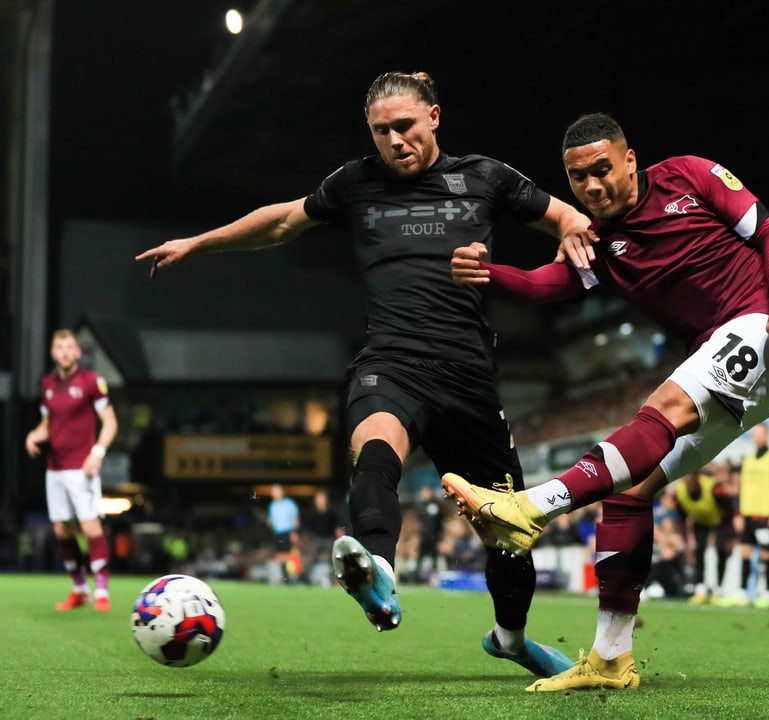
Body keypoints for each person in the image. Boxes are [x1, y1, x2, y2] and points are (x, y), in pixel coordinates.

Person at [134, 71, 591, 677]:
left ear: (433, 116)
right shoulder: (355, 183)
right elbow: (280, 221)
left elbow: (566, 218)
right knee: (376, 444)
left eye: (405, 126)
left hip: (470, 379)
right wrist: (200, 242)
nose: (395, 141)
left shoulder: (486, 176)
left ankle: (509, 637)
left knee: (508, 532)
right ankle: (377, 569)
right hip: (392, 361)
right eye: (382, 131)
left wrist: (574, 236)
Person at [442, 112, 769, 691]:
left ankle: (531, 507)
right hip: (727, 350)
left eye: (602, 170)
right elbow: (551, 284)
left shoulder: (691, 177)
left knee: (665, 406)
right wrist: (488, 273)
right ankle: (611, 658)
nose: (592, 186)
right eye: (578, 179)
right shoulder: (600, 244)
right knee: (631, 487)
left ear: (629, 159)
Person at [24, 329, 118, 611]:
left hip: (82, 466)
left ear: (78, 352)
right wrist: (34, 435)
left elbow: (110, 422)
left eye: (70, 347)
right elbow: (47, 425)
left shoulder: (92, 382)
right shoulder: (48, 384)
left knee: (90, 525)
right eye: (59, 347)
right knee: (62, 530)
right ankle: (80, 590)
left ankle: (102, 591)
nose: (65, 352)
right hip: (55, 467)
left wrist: (97, 453)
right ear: (53, 353)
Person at [723, 422, 769, 608]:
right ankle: (742, 591)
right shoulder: (748, 460)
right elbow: (741, 489)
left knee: (766, 554)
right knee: (745, 552)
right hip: (748, 515)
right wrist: (738, 513)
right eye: (755, 434)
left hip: (766, 515)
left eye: (761, 434)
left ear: (767, 436)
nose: (758, 437)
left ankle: (767, 592)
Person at [674, 468, 735, 603]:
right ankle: (700, 588)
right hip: (700, 521)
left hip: (720, 521)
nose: (689, 482)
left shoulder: (714, 489)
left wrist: (730, 537)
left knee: (720, 549)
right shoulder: (679, 492)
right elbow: (681, 517)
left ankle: (718, 589)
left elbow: (729, 510)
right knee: (698, 552)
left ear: (697, 478)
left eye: (692, 478)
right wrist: (685, 541)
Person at [267, 483, 301, 584]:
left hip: (287, 532)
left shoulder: (289, 503)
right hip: (277, 533)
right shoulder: (272, 505)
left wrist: (294, 532)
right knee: (279, 555)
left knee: (288, 555)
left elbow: (295, 519)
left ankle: (290, 577)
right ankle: (283, 576)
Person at [414, 485, 445, 581]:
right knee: (420, 556)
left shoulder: (436, 505)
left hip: (434, 536)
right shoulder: (420, 506)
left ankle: (434, 578)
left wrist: (441, 535)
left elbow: (440, 521)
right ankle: (416, 577)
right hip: (423, 536)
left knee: (434, 557)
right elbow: (417, 521)